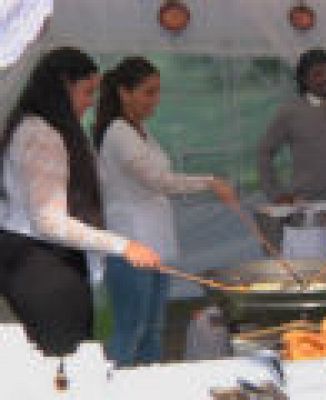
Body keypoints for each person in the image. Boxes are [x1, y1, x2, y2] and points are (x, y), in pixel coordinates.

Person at [0, 47, 161, 357]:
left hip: (31, 257)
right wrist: (124, 246)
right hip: (40, 264)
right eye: (87, 92)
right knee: (66, 362)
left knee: (61, 358)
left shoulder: (32, 125)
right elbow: (47, 220)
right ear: (63, 84)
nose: (91, 102)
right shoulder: (41, 134)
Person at [94, 57, 238, 366]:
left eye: (157, 92)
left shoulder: (140, 132)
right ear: (124, 92)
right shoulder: (118, 133)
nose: (155, 100)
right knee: (130, 330)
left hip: (155, 246)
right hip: (130, 246)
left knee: (153, 330)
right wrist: (210, 182)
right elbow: (156, 180)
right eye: (149, 92)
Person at [258, 48, 326, 204]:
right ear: (303, 79)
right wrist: (275, 194)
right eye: (317, 74)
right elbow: (264, 152)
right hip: (305, 204)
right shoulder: (290, 111)